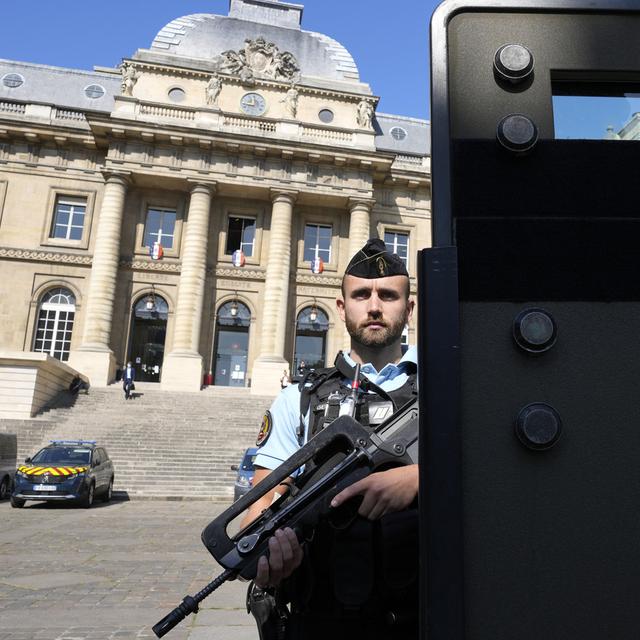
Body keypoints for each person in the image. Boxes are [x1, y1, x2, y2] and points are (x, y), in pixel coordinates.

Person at [243, 238, 418, 640]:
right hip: (323, 617)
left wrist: (421, 478)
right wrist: (269, 551)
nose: (374, 306)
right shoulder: (298, 399)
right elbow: (263, 497)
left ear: (408, 309)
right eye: (361, 295)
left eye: (388, 295)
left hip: (427, 613)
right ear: (342, 308)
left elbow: (494, 475)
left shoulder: (447, 384)